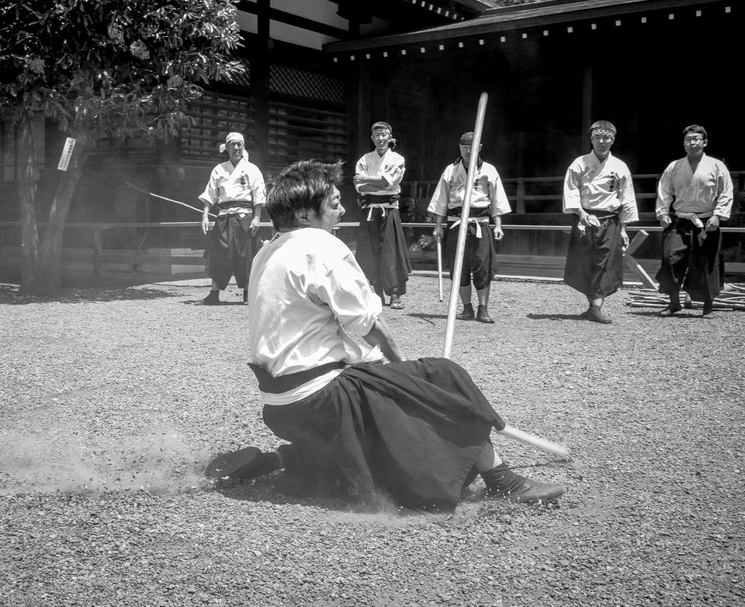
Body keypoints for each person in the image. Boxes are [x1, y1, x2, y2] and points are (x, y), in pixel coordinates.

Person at [207, 160, 565, 511]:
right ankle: (502, 480)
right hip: (321, 400)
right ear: (304, 215)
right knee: (442, 376)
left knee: (378, 388)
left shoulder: (265, 252)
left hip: (281, 408)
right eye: (333, 203)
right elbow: (371, 326)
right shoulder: (321, 246)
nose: (342, 209)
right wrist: (406, 373)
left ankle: (285, 459)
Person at [427, 132, 511, 324]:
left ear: (479, 148)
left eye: (471, 147)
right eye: (464, 147)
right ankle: (467, 308)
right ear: (459, 148)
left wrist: (498, 225)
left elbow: (496, 199)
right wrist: (438, 226)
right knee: (459, 267)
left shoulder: (489, 170)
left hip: (480, 222)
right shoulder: (450, 170)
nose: (467, 151)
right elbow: (442, 199)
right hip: (456, 223)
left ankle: (483, 309)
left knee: (482, 265)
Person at [562, 120, 639, 324]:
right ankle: (592, 306)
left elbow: (627, 198)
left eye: (606, 138)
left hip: (609, 219)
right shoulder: (579, 164)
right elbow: (570, 190)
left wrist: (623, 228)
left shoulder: (619, 167)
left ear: (613, 140)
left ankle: (596, 308)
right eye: (598, 137)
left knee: (604, 262)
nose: (602, 141)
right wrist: (580, 212)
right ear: (591, 139)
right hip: (584, 218)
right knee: (585, 262)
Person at [655, 124, 734, 316]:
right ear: (683, 143)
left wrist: (718, 215)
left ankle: (708, 306)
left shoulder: (717, 166)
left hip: (707, 221)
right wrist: (663, 213)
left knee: (706, 263)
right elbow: (664, 191)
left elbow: (726, 192)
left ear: (704, 142)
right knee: (671, 258)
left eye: (696, 139)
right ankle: (674, 303)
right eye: (688, 140)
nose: (692, 143)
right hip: (681, 219)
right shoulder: (674, 166)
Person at [197, 132, 266, 305]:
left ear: (243, 147)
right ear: (226, 148)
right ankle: (214, 294)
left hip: (245, 217)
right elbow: (210, 194)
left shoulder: (252, 169)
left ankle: (247, 293)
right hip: (224, 217)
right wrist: (205, 216)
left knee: (246, 255)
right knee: (219, 253)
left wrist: (257, 218)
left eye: (239, 144)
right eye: (232, 144)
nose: (236, 148)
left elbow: (258, 195)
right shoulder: (219, 169)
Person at [352, 121, 412, 309]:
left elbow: (389, 183)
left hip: (389, 209)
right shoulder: (364, 159)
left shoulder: (397, 159)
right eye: (376, 135)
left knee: (391, 250)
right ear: (372, 138)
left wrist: (371, 181)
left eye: (384, 134)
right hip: (370, 210)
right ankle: (375, 291)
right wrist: (378, 183)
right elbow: (359, 186)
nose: (380, 138)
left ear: (390, 136)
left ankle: (395, 294)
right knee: (370, 250)